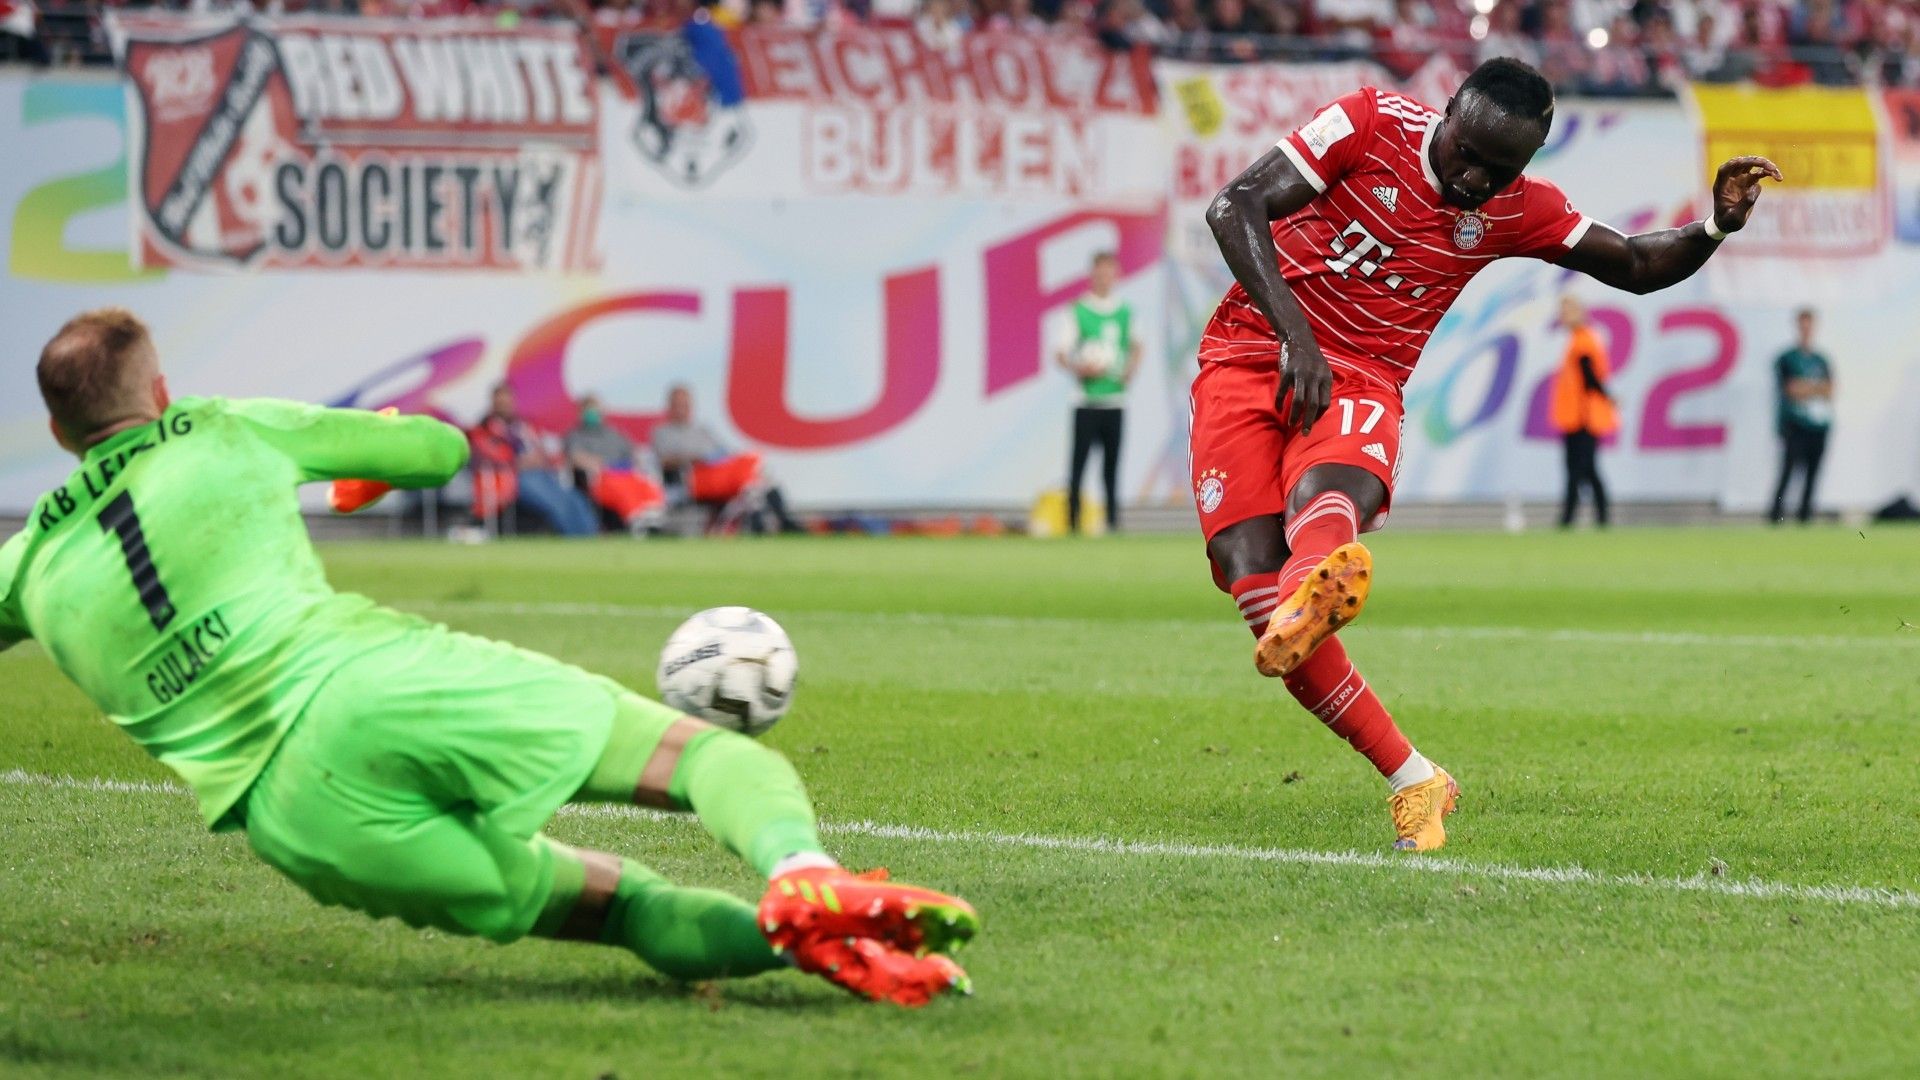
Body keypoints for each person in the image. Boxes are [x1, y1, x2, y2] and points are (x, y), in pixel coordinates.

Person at [0, 309, 977, 1006]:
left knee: (622, 908)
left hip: (299, 819)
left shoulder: (29, 562)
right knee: (707, 757)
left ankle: (805, 949)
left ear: (58, 431)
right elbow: (435, 452)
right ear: (159, 392)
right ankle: (804, 875)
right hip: (375, 685)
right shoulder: (218, 427)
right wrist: (365, 467)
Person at [1195, 57, 1778, 851]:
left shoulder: (1517, 207)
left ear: (1528, 163)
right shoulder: (1368, 124)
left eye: (1500, 168)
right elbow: (1234, 207)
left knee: (1327, 499)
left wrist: (1714, 227)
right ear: (1448, 115)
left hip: (1366, 372)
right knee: (1248, 576)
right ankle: (1414, 775)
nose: (1474, 177)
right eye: (1466, 152)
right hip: (1249, 348)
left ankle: (1316, 588)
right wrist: (1296, 334)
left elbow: (1636, 266)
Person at [1053, 251, 1140, 535]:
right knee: (1078, 465)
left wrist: (1130, 370)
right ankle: (1073, 523)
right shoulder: (1078, 310)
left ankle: (1112, 522)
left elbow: (1137, 345)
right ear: (1092, 275)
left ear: (1116, 275)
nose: (1105, 278)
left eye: (1109, 272)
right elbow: (1061, 353)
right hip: (1086, 401)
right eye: (1100, 272)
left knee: (1111, 467)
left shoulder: (1124, 310)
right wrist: (1081, 367)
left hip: (1115, 400)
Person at [651, 385, 803, 534]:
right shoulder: (662, 432)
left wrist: (719, 458)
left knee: (755, 468)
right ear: (670, 406)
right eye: (678, 405)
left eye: (685, 405)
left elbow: (725, 453)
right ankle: (764, 513)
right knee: (751, 475)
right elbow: (664, 461)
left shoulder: (702, 430)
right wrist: (696, 459)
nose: (682, 409)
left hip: (721, 475)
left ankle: (781, 519)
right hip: (694, 479)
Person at [469, 384, 599, 537]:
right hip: (516, 477)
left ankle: (592, 537)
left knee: (575, 499)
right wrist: (516, 461)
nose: (505, 406)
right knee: (556, 504)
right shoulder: (484, 428)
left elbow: (545, 447)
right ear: (493, 403)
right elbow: (487, 454)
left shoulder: (524, 425)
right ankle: (574, 539)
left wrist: (541, 457)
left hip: (542, 473)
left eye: (508, 401)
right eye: (501, 402)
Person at [1550, 296, 1617, 528]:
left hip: (1584, 415)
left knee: (1580, 469)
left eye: (1567, 311)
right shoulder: (1579, 339)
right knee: (1583, 468)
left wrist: (1607, 396)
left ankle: (1572, 518)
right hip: (1575, 416)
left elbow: (1589, 377)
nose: (1563, 316)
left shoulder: (1583, 341)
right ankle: (1595, 517)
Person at [565, 393, 667, 533]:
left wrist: (632, 464)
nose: (592, 413)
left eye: (595, 409)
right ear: (580, 412)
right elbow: (575, 457)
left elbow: (633, 455)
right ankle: (635, 519)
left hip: (625, 474)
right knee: (619, 488)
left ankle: (654, 516)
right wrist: (601, 465)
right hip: (601, 477)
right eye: (588, 409)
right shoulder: (576, 435)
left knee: (646, 484)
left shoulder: (614, 434)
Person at [1770, 307, 1835, 524]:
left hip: (1818, 426)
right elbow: (1790, 389)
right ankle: (1775, 516)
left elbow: (1829, 390)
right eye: (1803, 325)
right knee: (1787, 472)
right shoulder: (1787, 358)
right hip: (1795, 425)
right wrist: (1814, 388)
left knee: (1812, 475)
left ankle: (1805, 517)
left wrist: (1806, 387)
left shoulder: (1821, 359)